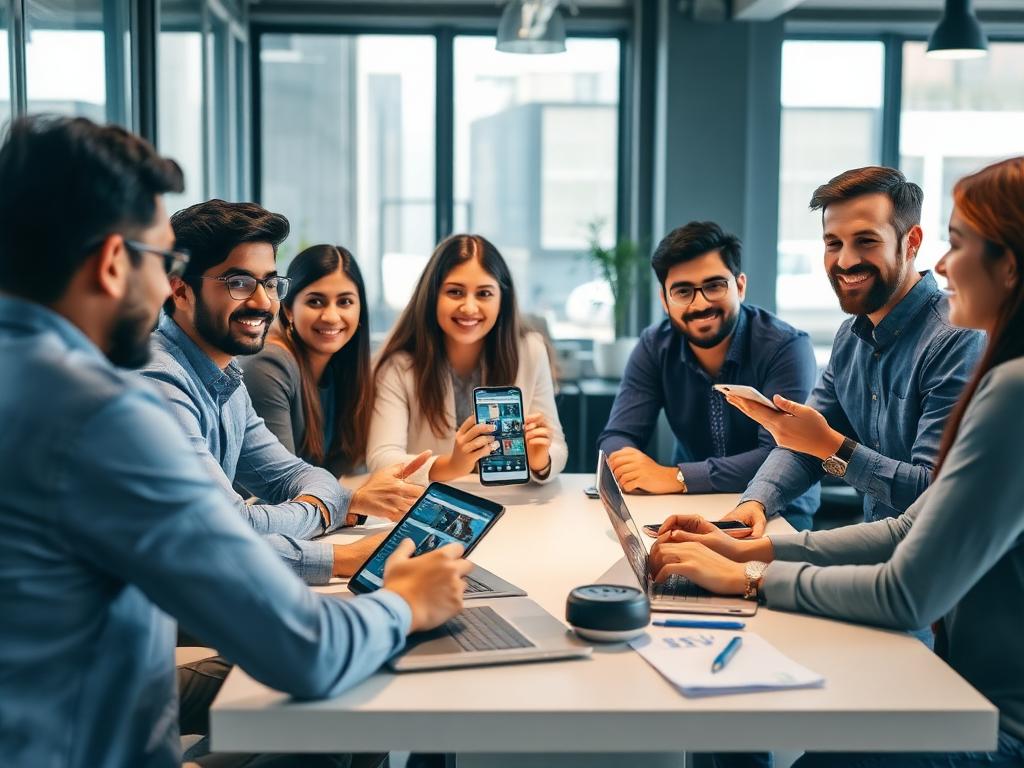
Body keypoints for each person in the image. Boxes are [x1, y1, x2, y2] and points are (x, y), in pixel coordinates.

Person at [0, 114, 472, 768]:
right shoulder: (105, 412)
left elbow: (301, 486)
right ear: (114, 264)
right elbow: (307, 649)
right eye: (163, 262)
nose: (168, 286)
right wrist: (405, 602)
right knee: (342, 724)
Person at [650, 156, 1024, 767]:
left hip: (980, 701)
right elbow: (896, 515)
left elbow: (909, 578)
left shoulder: (984, 365)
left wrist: (749, 577)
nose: (947, 267)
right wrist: (751, 529)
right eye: (833, 243)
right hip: (940, 642)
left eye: (958, 245)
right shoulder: (856, 336)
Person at [140, 200, 424, 587]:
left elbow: (295, 474)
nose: (263, 302)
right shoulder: (158, 383)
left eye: (270, 283)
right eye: (238, 283)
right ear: (180, 291)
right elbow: (229, 532)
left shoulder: (226, 378)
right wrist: (339, 549)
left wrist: (330, 503)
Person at [720, 167, 984, 537]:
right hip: (872, 553)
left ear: (911, 242)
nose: (844, 261)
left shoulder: (956, 339)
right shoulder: (850, 338)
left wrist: (831, 445)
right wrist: (755, 502)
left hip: (934, 574)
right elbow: (803, 445)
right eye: (833, 243)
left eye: (866, 241)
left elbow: (935, 492)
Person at [598, 221, 819, 530]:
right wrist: (628, 463)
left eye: (714, 286)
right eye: (683, 291)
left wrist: (676, 477)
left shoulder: (786, 347)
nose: (700, 303)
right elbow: (618, 435)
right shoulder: (654, 345)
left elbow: (780, 455)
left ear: (740, 286)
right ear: (665, 300)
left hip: (778, 509)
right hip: (689, 503)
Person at [368, 233, 568, 485]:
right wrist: (452, 466)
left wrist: (540, 460)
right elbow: (382, 458)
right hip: (431, 503)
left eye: (484, 294)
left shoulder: (530, 350)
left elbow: (557, 447)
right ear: (432, 296)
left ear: (502, 300)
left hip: (513, 502)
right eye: (455, 292)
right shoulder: (399, 365)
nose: (469, 308)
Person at [241, 244, 373, 477]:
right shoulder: (269, 365)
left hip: (313, 509)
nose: (331, 316)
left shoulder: (342, 369)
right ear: (289, 309)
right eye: (315, 302)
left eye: (345, 302)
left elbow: (348, 472)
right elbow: (280, 484)